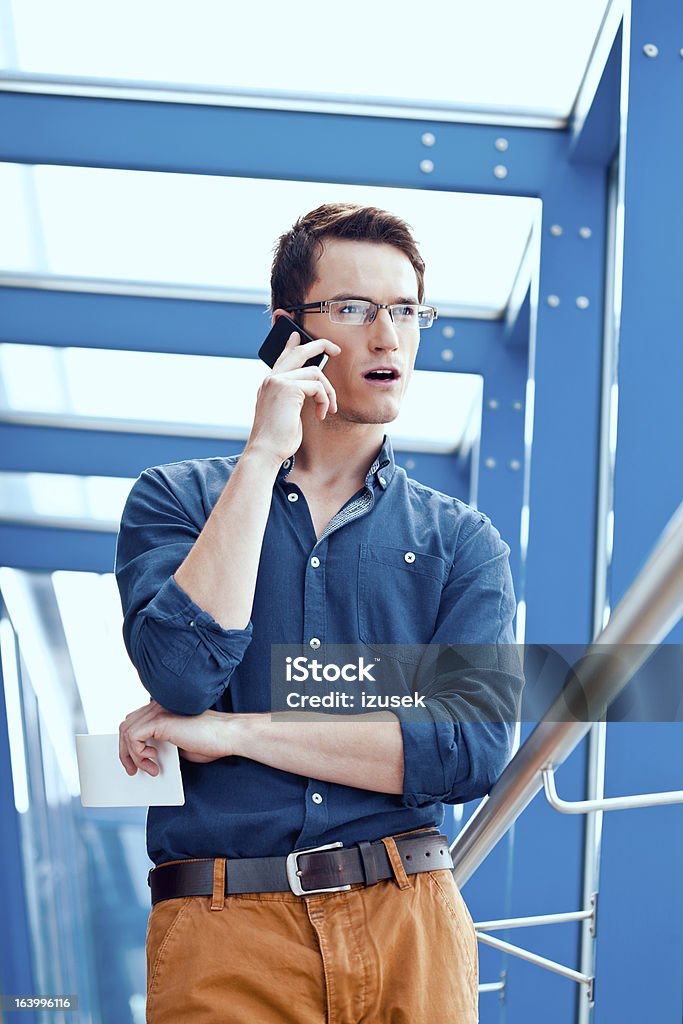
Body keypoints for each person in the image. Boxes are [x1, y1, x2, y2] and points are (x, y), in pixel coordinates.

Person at [115, 203, 523, 1023]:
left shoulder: (459, 542)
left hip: (409, 922)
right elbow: (184, 675)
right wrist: (263, 455)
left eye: (405, 310)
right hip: (223, 930)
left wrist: (237, 733)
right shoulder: (178, 501)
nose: (387, 337)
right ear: (285, 333)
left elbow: (467, 748)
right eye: (353, 308)